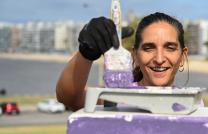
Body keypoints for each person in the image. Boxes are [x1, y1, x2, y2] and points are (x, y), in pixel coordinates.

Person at [56, 12, 188, 111]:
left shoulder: (191, 103)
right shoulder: (115, 95)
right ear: (135, 55)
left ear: (182, 56)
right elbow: (70, 98)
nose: (159, 59)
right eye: (148, 48)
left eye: (170, 48)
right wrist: (85, 53)